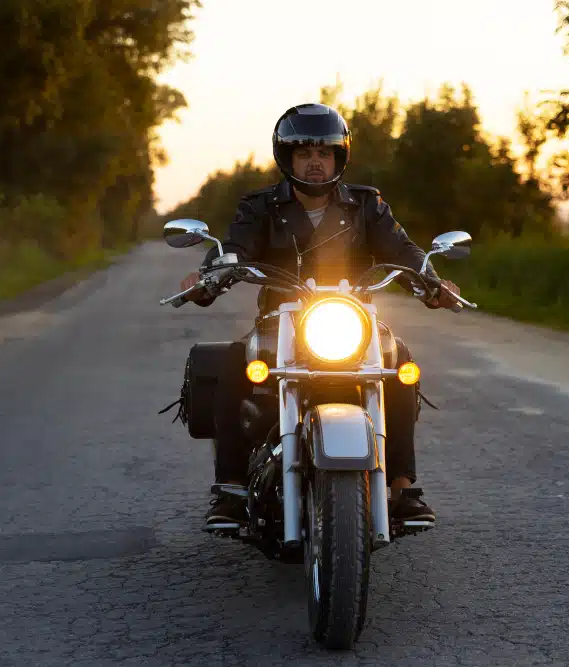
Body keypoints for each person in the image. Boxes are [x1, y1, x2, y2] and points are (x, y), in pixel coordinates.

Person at [178, 103, 462, 531]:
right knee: (237, 362)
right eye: (304, 153)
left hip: (351, 318)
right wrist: (209, 276)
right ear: (288, 159)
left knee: (398, 359)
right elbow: (234, 248)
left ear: (339, 158)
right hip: (281, 320)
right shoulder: (260, 207)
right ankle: (231, 489)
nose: (315, 162)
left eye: (324, 153)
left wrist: (431, 280)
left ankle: (402, 489)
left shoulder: (367, 206)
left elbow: (403, 251)